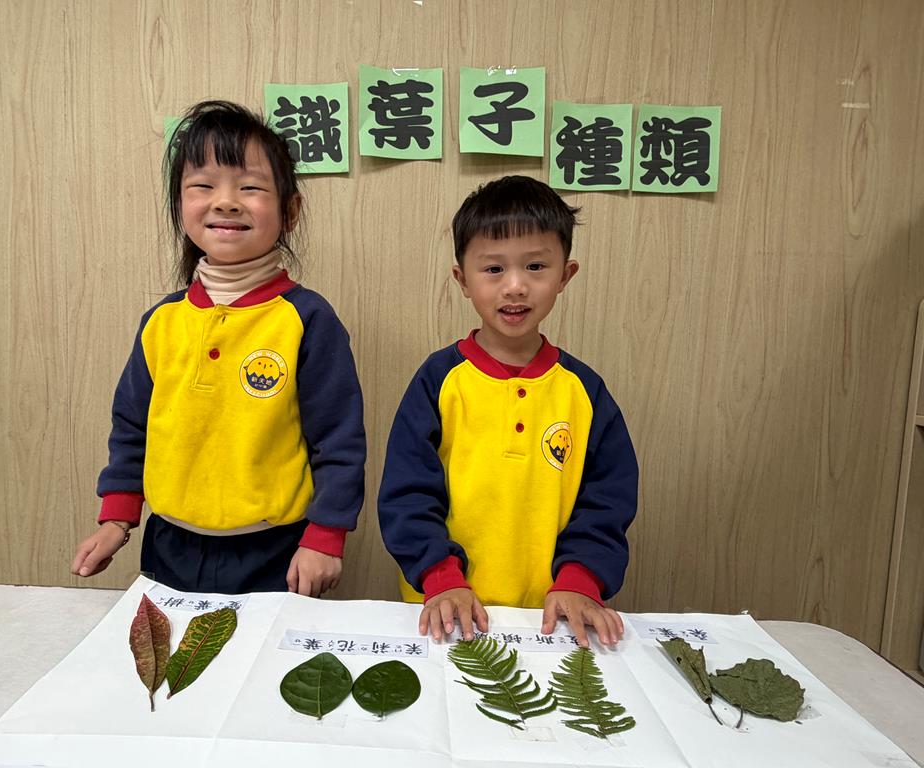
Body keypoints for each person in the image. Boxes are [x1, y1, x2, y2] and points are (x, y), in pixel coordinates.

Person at [71, 100, 365, 597]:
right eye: (203, 186)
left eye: (250, 187)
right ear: (179, 205)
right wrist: (116, 518)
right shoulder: (161, 321)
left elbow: (338, 440)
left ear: (290, 211)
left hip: (276, 549)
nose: (226, 202)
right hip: (168, 544)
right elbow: (133, 427)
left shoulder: (307, 319)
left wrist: (325, 537)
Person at [377, 175, 637, 647]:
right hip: (445, 610)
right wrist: (440, 576)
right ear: (462, 279)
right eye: (494, 269)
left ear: (565, 275)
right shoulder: (438, 380)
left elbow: (607, 500)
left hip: (552, 617)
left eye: (535, 266)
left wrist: (581, 578)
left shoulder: (584, 391)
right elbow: (407, 493)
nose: (515, 286)